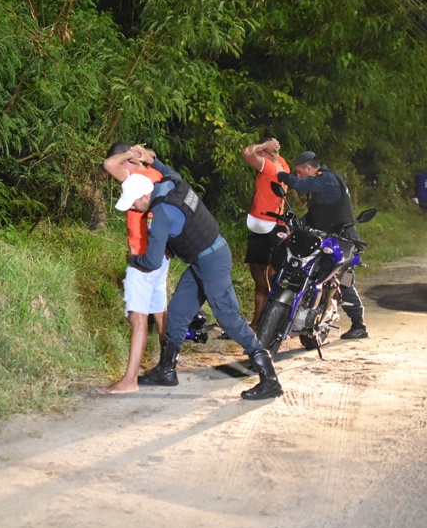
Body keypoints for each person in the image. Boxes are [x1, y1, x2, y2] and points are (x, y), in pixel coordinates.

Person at [115, 173, 283, 400]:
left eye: (135, 202)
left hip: (212, 261)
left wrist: (133, 259)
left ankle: (269, 378)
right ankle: (166, 370)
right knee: (177, 311)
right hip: (203, 258)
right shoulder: (172, 185)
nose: (134, 207)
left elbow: (152, 262)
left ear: (146, 194)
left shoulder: (160, 211)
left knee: (228, 317)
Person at [100, 142, 178, 393]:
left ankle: (130, 380)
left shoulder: (134, 178)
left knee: (138, 318)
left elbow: (109, 164)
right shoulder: (155, 174)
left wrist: (128, 156)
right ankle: (169, 367)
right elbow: (153, 158)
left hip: (143, 258)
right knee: (159, 312)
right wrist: (144, 156)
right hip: (161, 256)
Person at [277, 151, 368, 340]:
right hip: (326, 237)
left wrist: (282, 175)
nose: (299, 175)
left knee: (342, 280)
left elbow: (298, 184)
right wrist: (294, 227)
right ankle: (306, 311)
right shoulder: (318, 187)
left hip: (343, 238)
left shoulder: (327, 179)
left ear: (308, 168)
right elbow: (315, 214)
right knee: (309, 271)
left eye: (300, 172)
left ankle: (359, 325)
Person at [240, 137, 289, 332]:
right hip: (277, 224)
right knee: (272, 274)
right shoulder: (282, 164)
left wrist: (262, 147)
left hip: (264, 225)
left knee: (260, 278)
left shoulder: (268, 166)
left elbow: (247, 152)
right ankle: (263, 321)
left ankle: (264, 320)